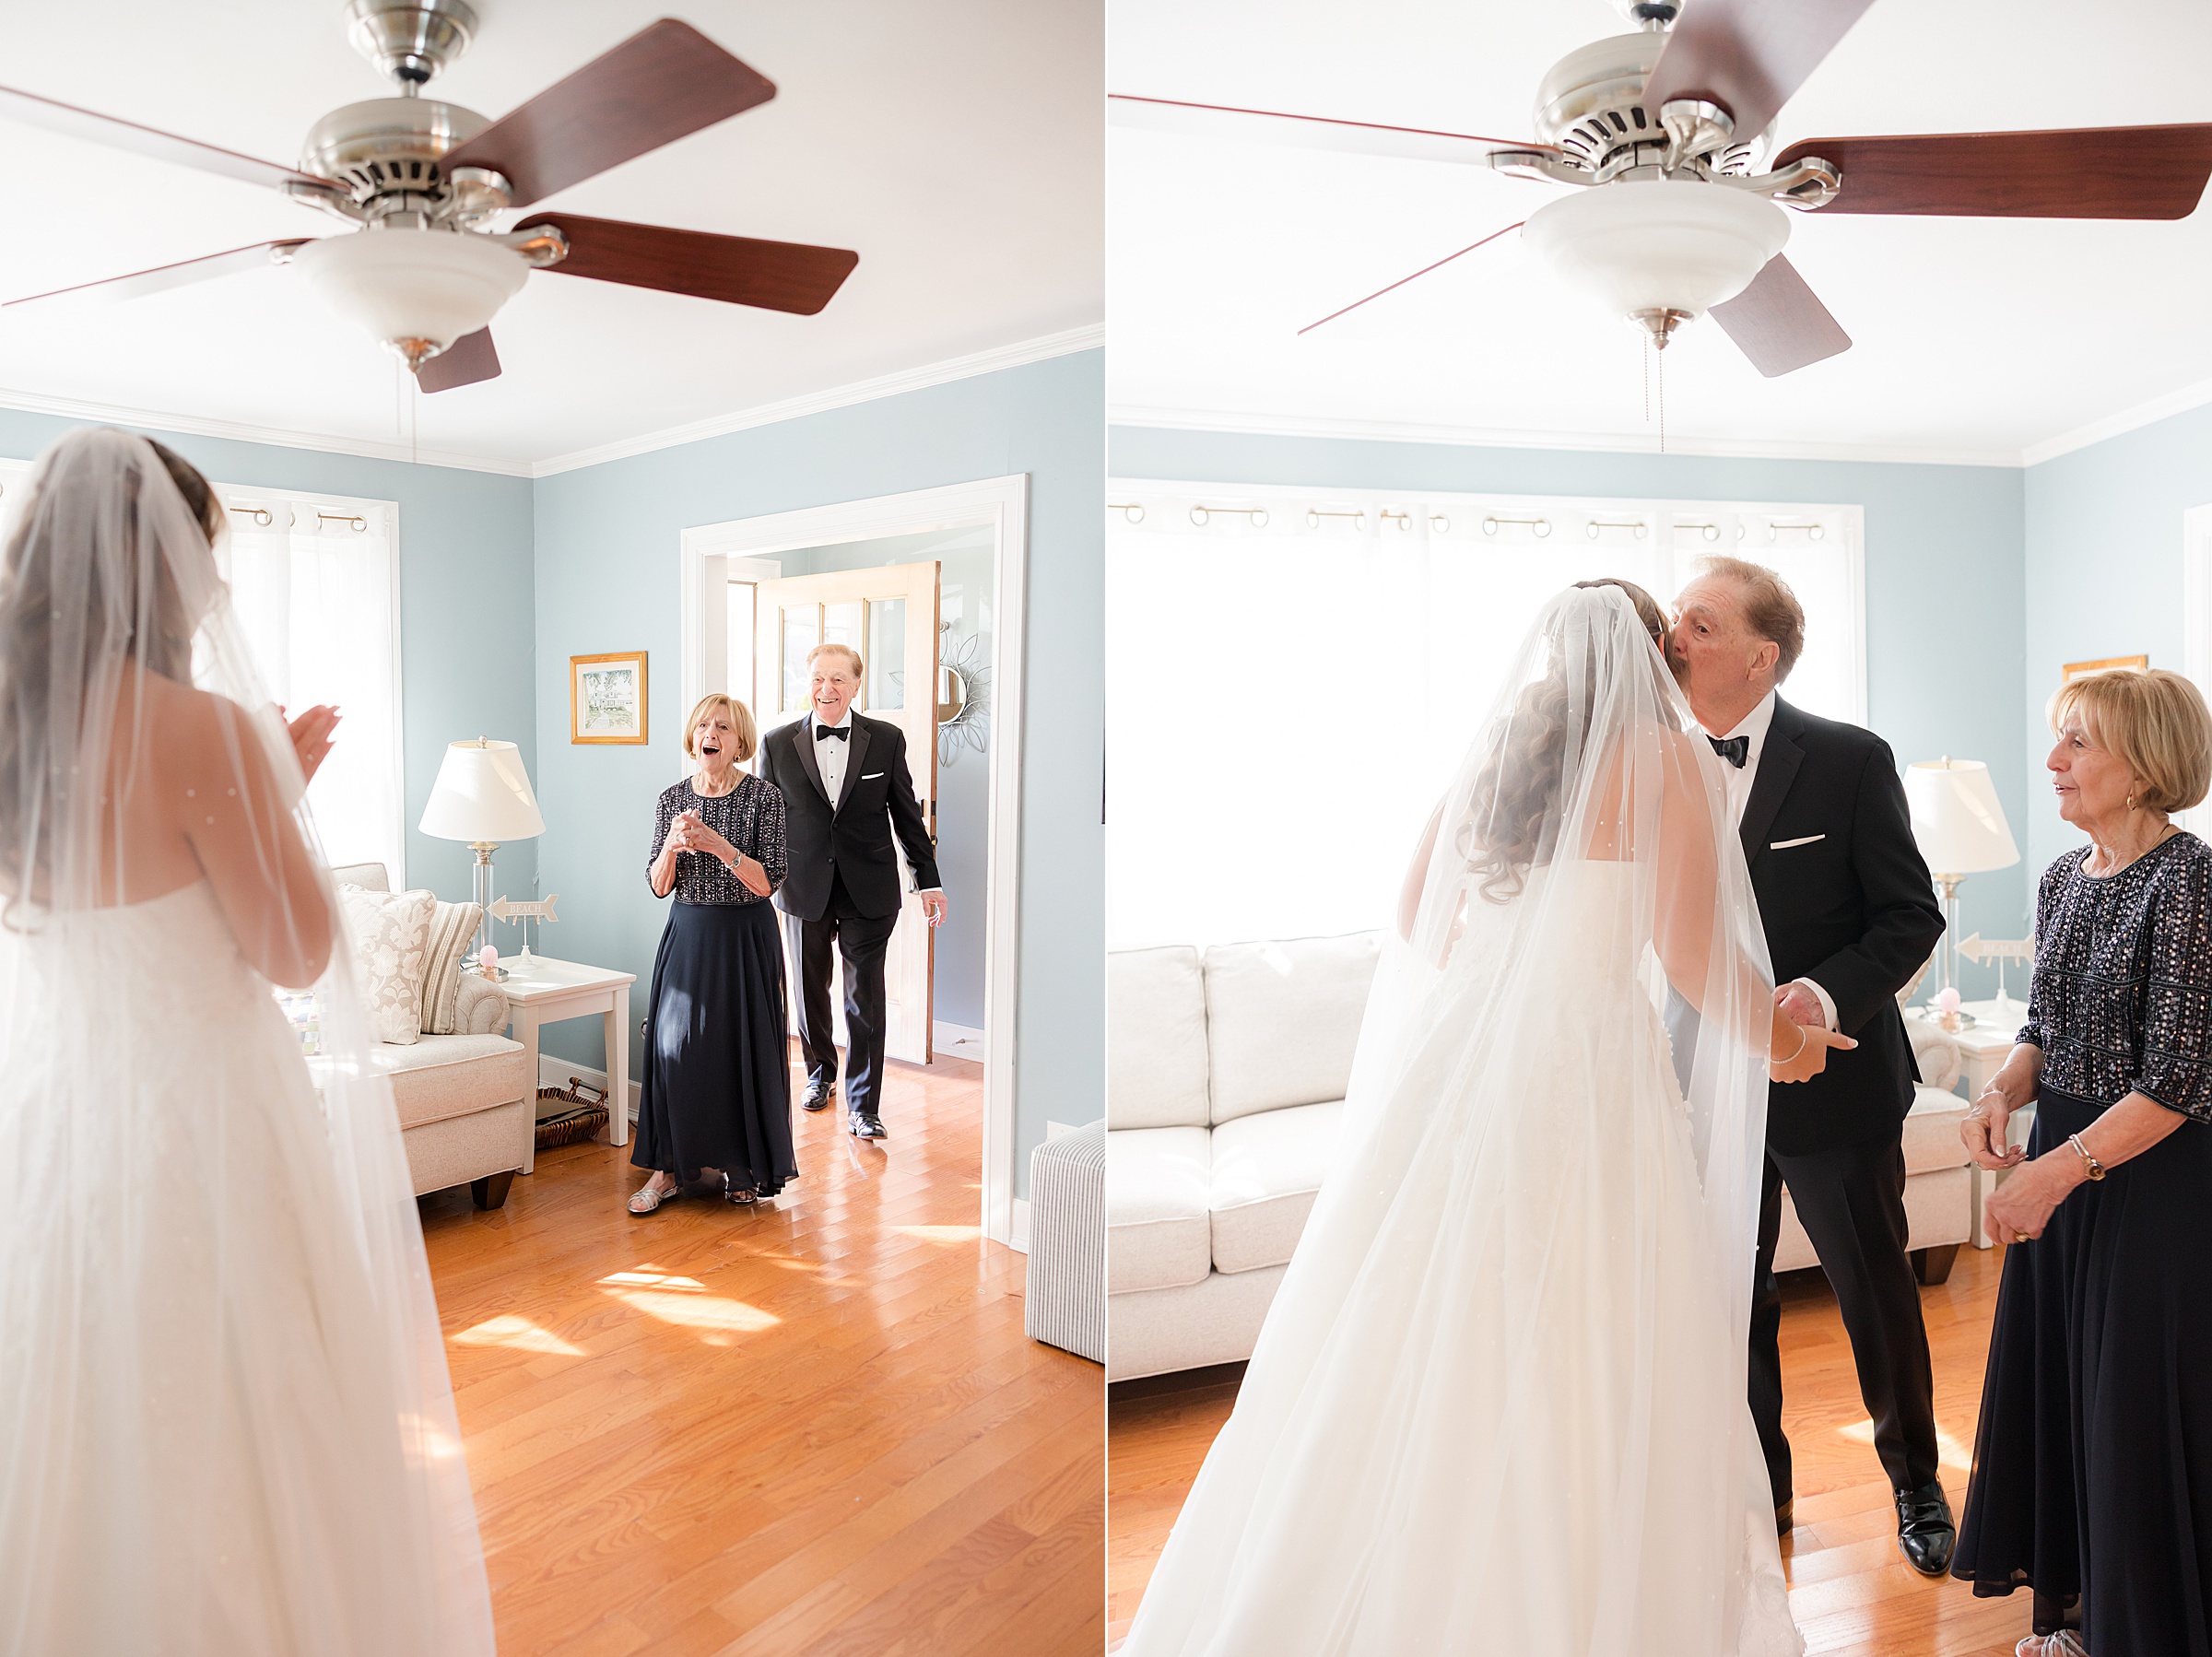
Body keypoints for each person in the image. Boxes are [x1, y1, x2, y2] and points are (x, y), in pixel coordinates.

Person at [1122, 582, 1850, 1656]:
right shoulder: (1669, 758)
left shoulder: (1501, 749)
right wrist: (1787, 1044)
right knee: (1587, 1316)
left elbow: (1418, 914)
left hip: (1465, 1059)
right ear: (1652, 652)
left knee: (1429, 1304)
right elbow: (1695, 956)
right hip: (1591, 1067)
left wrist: (1504, 977)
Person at [0, 429, 495, 1653]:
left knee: (78, 1395)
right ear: (158, 568)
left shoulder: (15, 735)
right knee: (240, 1402)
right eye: (202, 555)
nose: (213, 581)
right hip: (202, 1119)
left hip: (61, 1114)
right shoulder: (200, 731)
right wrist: (271, 788)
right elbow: (296, 949)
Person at [1669, 556, 1951, 1572]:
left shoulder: (1850, 759)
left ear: (1762, 656)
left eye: (1701, 623)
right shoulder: (1647, 759)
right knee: (1730, 1299)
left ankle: (1916, 1482)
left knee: (1875, 1292)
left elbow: (1910, 916)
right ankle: (1766, 1494)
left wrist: (1820, 999)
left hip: (1835, 1082)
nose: (1675, 635)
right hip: (1702, 1088)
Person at [1953, 667, 2212, 1657]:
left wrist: (2052, 1172)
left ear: (2143, 765)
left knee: (2129, 1402)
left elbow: (2177, 1081)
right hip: (2066, 1161)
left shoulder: (2191, 882)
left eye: (2078, 743)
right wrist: (1998, 1092)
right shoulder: (2065, 875)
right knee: (2066, 1385)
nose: (2053, 761)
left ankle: (2143, 1629)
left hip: (2152, 1178)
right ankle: (2079, 1617)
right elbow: (2044, 1025)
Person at [758, 642, 944, 1140]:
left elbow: (906, 814)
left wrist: (928, 880)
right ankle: (819, 1074)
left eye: (839, 678)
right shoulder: (776, 744)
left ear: (857, 685)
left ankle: (864, 1106)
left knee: (865, 999)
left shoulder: (886, 739)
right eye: (819, 678)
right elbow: (764, 825)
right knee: (808, 992)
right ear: (808, 682)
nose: (827, 688)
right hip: (803, 889)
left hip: (869, 888)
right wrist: (755, 883)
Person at [630, 692, 794, 1214]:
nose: (711, 734)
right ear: (693, 736)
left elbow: (768, 883)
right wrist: (672, 848)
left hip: (744, 937)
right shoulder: (672, 799)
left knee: (738, 1051)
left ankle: (740, 1166)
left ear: (739, 739)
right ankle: (667, 1169)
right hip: (689, 933)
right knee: (674, 1048)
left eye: (723, 727)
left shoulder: (764, 798)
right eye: (704, 725)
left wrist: (718, 845)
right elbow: (659, 886)